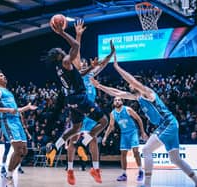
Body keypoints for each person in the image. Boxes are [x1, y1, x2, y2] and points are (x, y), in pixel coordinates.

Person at [90, 50, 197, 187]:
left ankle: (148, 184)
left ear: (138, 84)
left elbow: (131, 80)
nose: (129, 85)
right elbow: (116, 92)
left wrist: (116, 66)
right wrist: (99, 86)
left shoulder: (147, 92)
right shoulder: (137, 97)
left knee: (145, 150)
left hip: (168, 123)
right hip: (168, 125)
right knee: (175, 159)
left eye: (131, 85)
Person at [45, 19, 109, 184]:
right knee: (103, 121)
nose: (63, 49)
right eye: (61, 50)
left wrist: (90, 67)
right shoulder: (65, 61)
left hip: (71, 100)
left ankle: (55, 147)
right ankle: (83, 142)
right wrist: (62, 33)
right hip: (80, 98)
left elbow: (79, 74)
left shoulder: (61, 68)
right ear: (59, 55)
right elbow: (76, 47)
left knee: (75, 127)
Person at [62, 19, 115, 185]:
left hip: (89, 110)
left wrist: (111, 54)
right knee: (73, 139)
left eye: (86, 63)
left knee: (93, 140)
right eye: (82, 63)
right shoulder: (77, 73)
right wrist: (78, 35)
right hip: (80, 106)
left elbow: (103, 64)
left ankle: (96, 169)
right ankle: (70, 170)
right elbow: (76, 53)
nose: (84, 63)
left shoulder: (91, 74)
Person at [0, 69, 37, 187]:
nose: (4, 76)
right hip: (8, 121)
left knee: (24, 151)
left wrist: (27, 107)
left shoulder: (9, 92)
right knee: (18, 149)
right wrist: (7, 110)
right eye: (1, 76)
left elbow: (16, 110)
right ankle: (9, 176)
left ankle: (9, 174)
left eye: (4, 75)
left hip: (17, 121)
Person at [102, 96, 148, 182]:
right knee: (123, 154)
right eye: (115, 100)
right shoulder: (112, 113)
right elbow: (111, 126)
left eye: (119, 100)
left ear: (122, 102)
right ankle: (124, 174)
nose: (117, 101)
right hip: (124, 134)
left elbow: (138, 119)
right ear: (113, 103)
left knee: (135, 152)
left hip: (133, 132)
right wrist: (105, 137)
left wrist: (142, 132)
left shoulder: (127, 109)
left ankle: (140, 171)